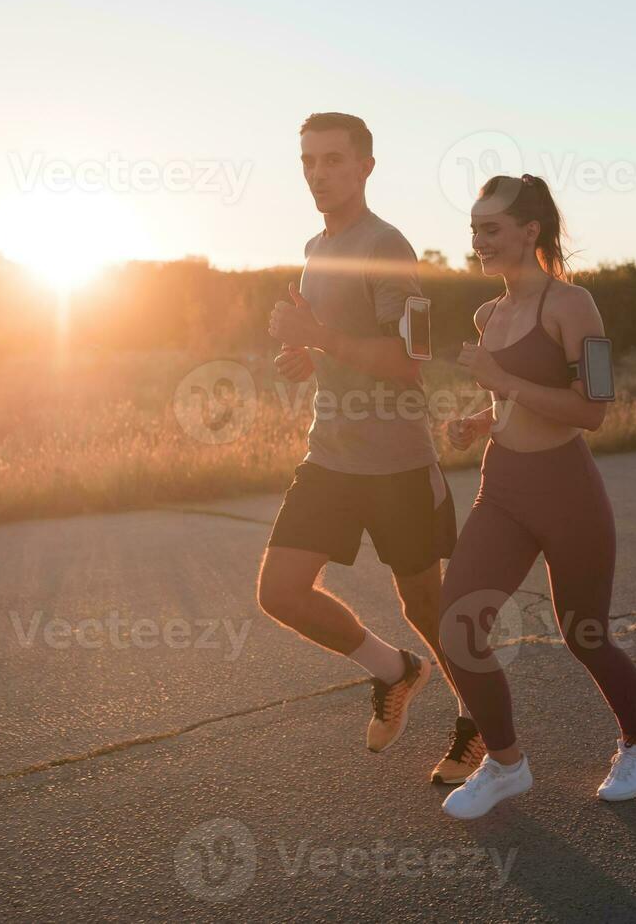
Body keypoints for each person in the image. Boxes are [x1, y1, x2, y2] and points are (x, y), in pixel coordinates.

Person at [259, 112, 483, 785]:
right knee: (280, 591)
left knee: (424, 604)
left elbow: (411, 358)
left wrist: (319, 335)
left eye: (333, 160)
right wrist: (304, 353)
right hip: (329, 453)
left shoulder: (387, 245)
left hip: (396, 463)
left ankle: (479, 723)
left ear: (366, 167)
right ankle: (395, 670)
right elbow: (334, 344)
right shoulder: (315, 246)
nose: (319, 174)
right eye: (308, 161)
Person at [436, 174, 636, 820]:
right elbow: (509, 403)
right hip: (502, 487)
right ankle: (505, 763)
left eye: (490, 229)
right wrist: (478, 420)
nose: (477, 241)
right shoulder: (487, 314)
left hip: (566, 491)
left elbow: (592, 411)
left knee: (584, 633)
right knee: (458, 623)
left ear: (529, 231)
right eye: (474, 229)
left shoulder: (574, 306)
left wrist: (501, 378)